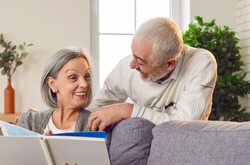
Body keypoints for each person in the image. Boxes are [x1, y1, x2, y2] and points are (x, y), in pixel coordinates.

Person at [88, 17, 217, 131]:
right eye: (133, 55)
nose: (132, 65)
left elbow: (186, 126)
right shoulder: (127, 67)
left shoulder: (201, 63)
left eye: (140, 62)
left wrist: (128, 110)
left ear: (169, 64)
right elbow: (94, 109)